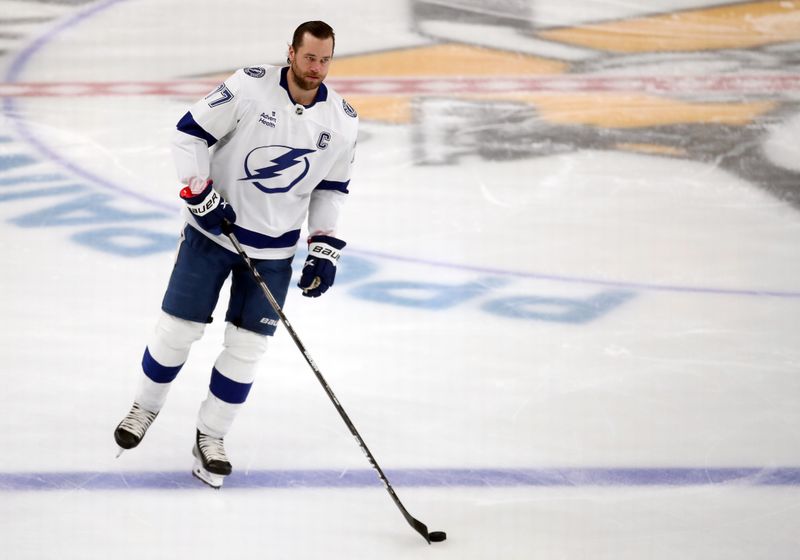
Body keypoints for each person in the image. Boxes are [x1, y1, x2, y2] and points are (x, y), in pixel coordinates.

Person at [113, 20, 358, 488]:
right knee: (176, 332)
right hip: (213, 237)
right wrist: (200, 193)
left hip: (275, 252)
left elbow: (332, 188)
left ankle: (212, 438)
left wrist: (323, 246)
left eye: (325, 59)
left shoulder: (342, 120)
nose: (317, 68)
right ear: (290, 52)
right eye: (309, 57)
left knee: (246, 350)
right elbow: (189, 135)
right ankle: (143, 408)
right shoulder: (250, 86)